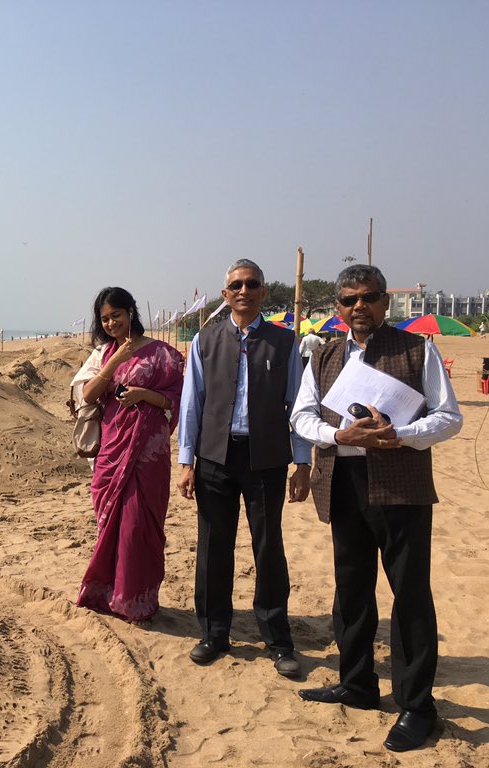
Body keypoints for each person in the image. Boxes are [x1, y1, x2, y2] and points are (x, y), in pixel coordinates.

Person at [290, 264, 462, 752]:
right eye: (349, 300)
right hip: (343, 484)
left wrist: (399, 434)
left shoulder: (417, 350)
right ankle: (358, 684)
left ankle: (417, 706)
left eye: (368, 297)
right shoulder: (323, 355)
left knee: (410, 594)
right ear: (338, 307)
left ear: (385, 302)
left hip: (401, 486)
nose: (359, 306)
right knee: (351, 590)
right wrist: (337, 434)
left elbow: (449, 417)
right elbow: (301, 415)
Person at [177, 258, 311, 678]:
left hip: (266, 458)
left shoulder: (284, 342)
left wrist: (302, 460)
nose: (244, 291)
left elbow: (298, 405)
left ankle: (278, 639)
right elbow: (192, 402)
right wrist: (186, 461)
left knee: (268, 547)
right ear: (225, 294)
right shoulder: (205, 340)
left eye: (252, 284)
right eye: (236, 285)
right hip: (215, 457)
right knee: (213, 547)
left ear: (263, 292)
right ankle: (214, 632)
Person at [71, 287, 184, 623]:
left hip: (149, 453)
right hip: (111, 449)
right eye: (105, 319)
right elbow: (88, 396)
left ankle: (135, 601)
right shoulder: (103, 354)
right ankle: (105, 594)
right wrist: (115, 360)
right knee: (109, 524)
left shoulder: (163, 354)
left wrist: (144, 395)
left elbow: (176, 400)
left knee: (138, 526)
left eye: (116, 315)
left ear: (131, 312)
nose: (111, 323)